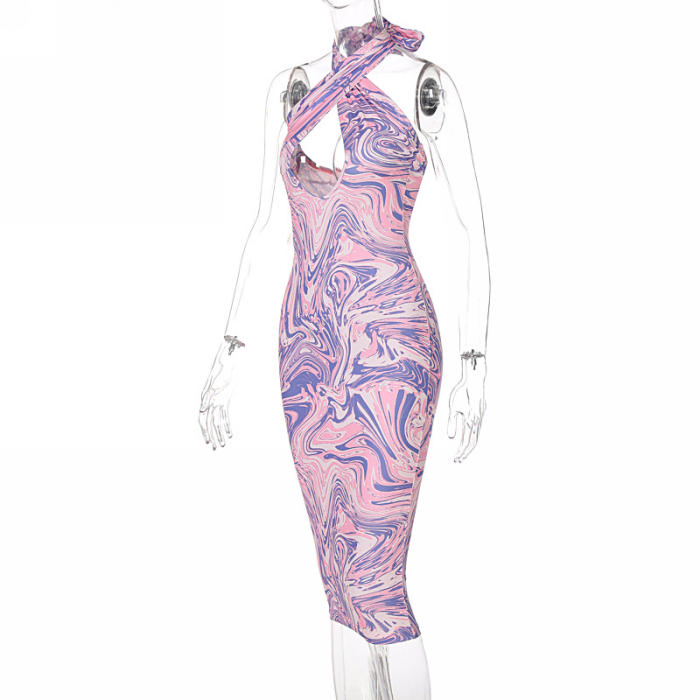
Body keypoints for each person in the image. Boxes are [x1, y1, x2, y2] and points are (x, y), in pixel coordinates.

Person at [199, 2, 490, 697]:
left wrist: (475, 366)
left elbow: (472, 231)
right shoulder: (290, 89)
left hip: (390, 348)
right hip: (307, 351)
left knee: (377, 582)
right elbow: (265, 226)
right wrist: (227, 354)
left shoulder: (424, 84)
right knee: (335, 580)